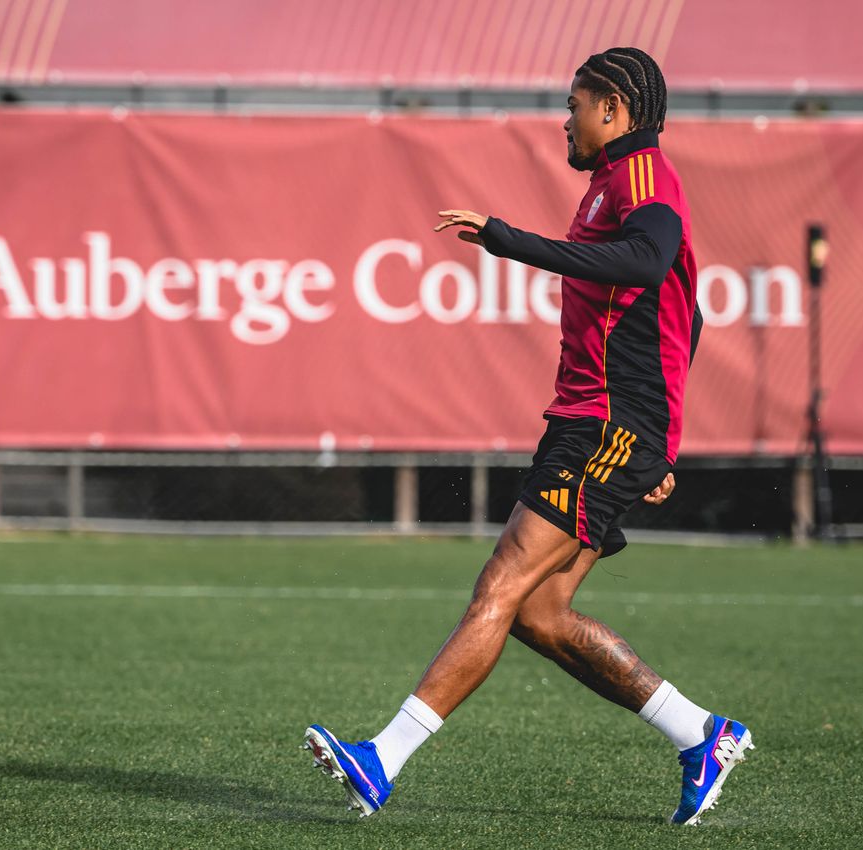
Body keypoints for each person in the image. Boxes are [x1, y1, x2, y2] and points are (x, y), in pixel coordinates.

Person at [303, 46, 752, 826]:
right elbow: (689, 307)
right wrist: (663, 438)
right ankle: (699, 735)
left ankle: (381, 759)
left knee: (500, 584)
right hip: (599, 423)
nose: (565, 120)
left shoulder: (643, 173)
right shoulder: (609, 185)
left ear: (613, 109)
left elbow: (648, 262)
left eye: (575, 104)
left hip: (607, 424)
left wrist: (507, 239)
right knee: (541, 614)